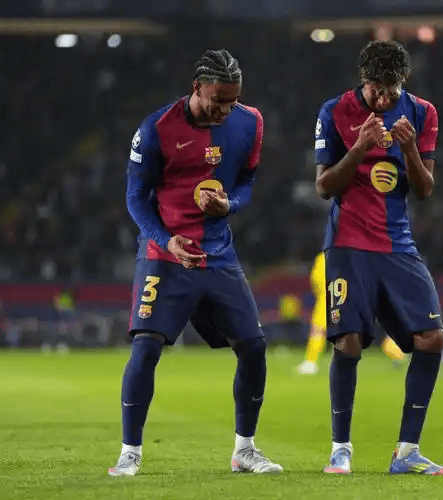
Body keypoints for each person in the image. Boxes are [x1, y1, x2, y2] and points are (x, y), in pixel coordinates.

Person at [108, 49, 282, 476]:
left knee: (254, 347)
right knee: (146, 346)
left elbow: (247, 182)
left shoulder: (250, 122)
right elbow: (135, 199)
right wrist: (166, 241)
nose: (226, 110)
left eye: (233, 101)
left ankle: (245, 450)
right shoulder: (155, 130)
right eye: (218, 100)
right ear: (197, 88)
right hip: (165, 256)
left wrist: (230, 205)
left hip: (218, 254)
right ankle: (129, 452)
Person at [313, 40, 443, 476]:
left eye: (391, 91)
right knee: (349, 342)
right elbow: (324, 187)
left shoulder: (422, 113)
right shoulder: (334, 111)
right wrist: (358, 148)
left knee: (433, 338)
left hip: (397, 243)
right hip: (349, 243)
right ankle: (340, 449)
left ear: (403, 82)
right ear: (363, 80)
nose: (382, 99)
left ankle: (407, 452)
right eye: (376, 90)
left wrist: (409, 150)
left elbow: (424, 190)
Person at [297, 252, 405, 376]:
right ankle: (395, 350)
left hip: (330, 298)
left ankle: (311, 362)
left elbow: (317, 281)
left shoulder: (326, 257)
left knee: (319, 330)